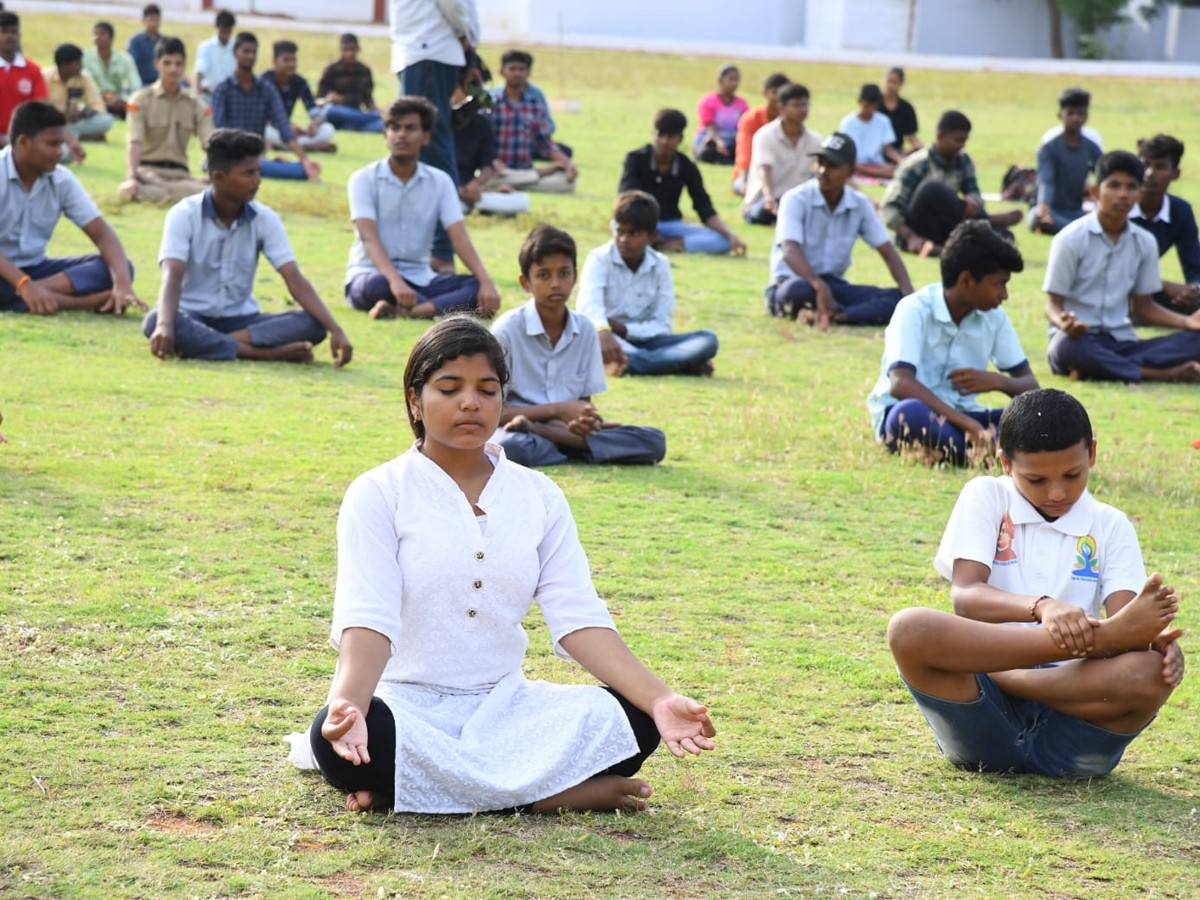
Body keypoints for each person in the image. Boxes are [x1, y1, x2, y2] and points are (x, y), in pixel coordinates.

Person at [304, 315, 715, 814]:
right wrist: (349, 704)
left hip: (509, 710)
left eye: (487, 389)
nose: (470, 403)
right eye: (449, 388)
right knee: (337, 744)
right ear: (415, 400)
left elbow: (577, 616)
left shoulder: (538, 495)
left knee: (636, 719)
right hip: (407, 708)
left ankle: (421, 793)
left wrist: (660, 698)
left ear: (503, 398)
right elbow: (368, 616)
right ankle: (550, 797)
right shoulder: (379, 492)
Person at [888, 387, 1184, 778]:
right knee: (909, 629)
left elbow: (1126, 634)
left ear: (1092, 454)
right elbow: (967, 596)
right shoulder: (987, 495)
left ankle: (1013, 679)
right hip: (981, 719)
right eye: (1037, 479)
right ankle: (1019, 673)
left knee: (1149, 672)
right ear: (1006, 464)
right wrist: (1044, 607)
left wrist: (1152, 646)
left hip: (1074, 728)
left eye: (1072, 474)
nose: (1057, 492)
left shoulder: (1111, 525)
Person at [143, 128, 352, 365]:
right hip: (191, 315)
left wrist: (336, 329)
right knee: (155, 321)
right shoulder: (183, 214)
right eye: (248, 173)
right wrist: (164, 325)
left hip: (242, 320)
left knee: (313, 324)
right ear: (219, 177)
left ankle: (206, 344)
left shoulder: (265, 218)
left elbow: (293, 278)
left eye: (258, 172)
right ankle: (261, 353)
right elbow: (172, 275)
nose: (258, 180)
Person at [491, 225, 668, 467]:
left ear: (575, 275)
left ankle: (552, 439)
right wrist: (558, 410)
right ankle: (575, 448)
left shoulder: (585, 329)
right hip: (514, 430)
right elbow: (491, 412)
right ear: (526, 283)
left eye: (564, 273)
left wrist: (585, 422)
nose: (556, 284)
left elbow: (584, 405)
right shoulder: (506, 330)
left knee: (654, 440)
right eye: (544, 275)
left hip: (557, 430)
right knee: (510, 448)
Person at [867, 220, 1038, 464]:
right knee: (907, 414)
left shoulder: (994, 317)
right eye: (999, 284)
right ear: (966, 280)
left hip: (968, 417)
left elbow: (1032, 387)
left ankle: (957, 452)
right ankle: (993, 455)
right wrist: (968, 426)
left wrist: (996, 381)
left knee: (1033, 419)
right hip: (918, 415)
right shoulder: (914, 309)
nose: (1005, 295)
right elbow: (900, 384)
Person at [1044, 150, 1200, 384]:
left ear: (1139, 193)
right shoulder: (1069, 239)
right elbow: (1052, 304)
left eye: (1131, 187)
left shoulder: (1144, 242)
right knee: (1067, 348)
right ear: (1096, 191)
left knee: (1195, 339)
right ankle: (1161, 374)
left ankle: (1102, 368)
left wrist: (1186, 322)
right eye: (1114, 186)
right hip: (1079, 339)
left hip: (1123, 343)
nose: (1123, 195)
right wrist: (1064, 323)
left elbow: (1143, 307)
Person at [345, 97, 500, 320]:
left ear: (426, 137)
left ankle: (415, 310)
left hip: (420, 276)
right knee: (376, 286)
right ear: (385, 135)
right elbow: (368, 238)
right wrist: (395, 282)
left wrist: (486, 283)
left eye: (410, 129)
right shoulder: (363, 179)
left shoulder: (440, 181)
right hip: (372, 274)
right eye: (395, 128)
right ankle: (423, 306)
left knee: (473, 286)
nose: (401, 135)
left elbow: (459, 237)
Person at [0, 101, 142, 315]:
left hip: (37, 270)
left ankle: (24, 296)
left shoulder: (61, 179)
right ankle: (76, 303)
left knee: (119, 267)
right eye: (52, 144)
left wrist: (122, 285)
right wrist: (22, 284)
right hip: (5, 272)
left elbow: (103, 234)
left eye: (61, 144)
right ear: (23, 142)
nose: (60, 152)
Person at [766, 133, 913, 327]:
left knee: (895, 298)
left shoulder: (859, 203)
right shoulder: (795, 199)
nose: (822, 171)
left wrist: (910, 297)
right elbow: (789, 250)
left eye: (832, 166)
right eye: (820, 162)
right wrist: (818, 286)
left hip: (833, 285)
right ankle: (833, 311)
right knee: (796, 292)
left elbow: (887, 251)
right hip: (795, 282)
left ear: (851, 171)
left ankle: (838, 316)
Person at [577, 191, 719, 377]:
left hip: (645, 339)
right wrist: (604, 331)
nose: (623, 240)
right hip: (605, 337)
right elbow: (589, 308)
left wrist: (625, 329)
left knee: (708, 340)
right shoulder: (599, 259)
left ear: (652, 236)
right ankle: (678, 364)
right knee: (590, 340)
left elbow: (662, 324)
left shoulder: (660, 265)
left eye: (633, 234)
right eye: (620, 231)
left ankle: (637, 363)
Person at [391, 0, 478, 266]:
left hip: (426, 49)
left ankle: (440, 250)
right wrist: (466, 38)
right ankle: (434, 249)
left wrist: (466, 45)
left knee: (429, 149)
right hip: (428, 48)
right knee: (426, 148)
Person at [881, 110, 1023, 257]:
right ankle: (987, 219)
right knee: (931, 189)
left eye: (965, 141)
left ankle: (939, 249)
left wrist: (972, 201)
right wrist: (910, 236)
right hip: (917, 229)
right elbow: (889, 207)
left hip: (947, 225)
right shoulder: (916, 164)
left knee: (1004, 237)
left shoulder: (963, 161)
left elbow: (974, 192)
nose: (962, 146)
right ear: (940, 137)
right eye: (958, 140)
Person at [618, 108, 745, 255]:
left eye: (670, 136)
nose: (664, 141)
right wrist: (646, 228)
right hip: (638, 223)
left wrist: (730, 235)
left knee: (722, 241)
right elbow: (626, 199)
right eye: (660, 135)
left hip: (671, 225)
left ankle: (669, 245)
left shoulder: (687, 166)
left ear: (680, 138)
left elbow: (704, 208)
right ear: (653, 134)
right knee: (620, 227)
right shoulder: (636, 159)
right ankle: (648, 241)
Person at [211, 33, 319, 181]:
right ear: (235, 53)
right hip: (231, 157)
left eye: (253, 52)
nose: (250, 56)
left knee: (303, 170)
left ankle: (266, 166)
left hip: (256, 157)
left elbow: (284, 127)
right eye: (246, 51)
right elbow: (220, 132)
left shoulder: (266, 89)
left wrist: (305, 160)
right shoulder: (223, 89)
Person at [120, 37, 211, 204]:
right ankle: (177, 193)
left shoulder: (196, 104)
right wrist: (132, 177)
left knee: (211, 194)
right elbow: (135, 140)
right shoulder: (140, 100)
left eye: (178, 64)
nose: (173, 70)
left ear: (185, 67)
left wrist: (215, 176)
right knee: (129, 191)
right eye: (167, 63)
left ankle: (172, 191)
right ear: (157, 64)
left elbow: (210, 144)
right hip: (147, 173)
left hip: (180, 175)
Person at [489, 50, 577, 194]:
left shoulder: (534, 102)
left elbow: (545, 142)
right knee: (489, 177)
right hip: (498, 169)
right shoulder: (491, 101)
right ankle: (523, 181)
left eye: (521, 69)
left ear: (528, 73)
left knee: (568, 183)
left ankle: (518, 182)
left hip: (525, 168)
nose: (517, 73)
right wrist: (489, 161)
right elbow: (481, 140)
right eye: (512, 69)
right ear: (502, 72)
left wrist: (567, 165)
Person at [1131, 134, 1200, 315]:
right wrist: (1164, 286)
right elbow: (1113, 269)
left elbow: (1194, 266)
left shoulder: (1180, 212)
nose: (1149, 173)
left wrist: (1193, 291)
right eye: (1145, 164)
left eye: (1159, 167)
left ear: (1175, 174)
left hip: (1147, 290)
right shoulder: (1121, 206)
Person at [742, 82, 821, 226]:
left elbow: (829, 169)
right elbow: (765, 170)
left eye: (805, 105)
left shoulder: (815, 139)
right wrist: (769, 198)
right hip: (766, 200)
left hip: (798, 200)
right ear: (781, 108)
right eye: (797, 105)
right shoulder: (765, 136)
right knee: (763, 212)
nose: (803, 110)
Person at [1029, 88, 1101, 236]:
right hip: (1050, 210)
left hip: (1076, 211)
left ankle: (1076, 230)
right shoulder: (1048, 148)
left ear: (1086, 116)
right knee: (1038, 219)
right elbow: (1046, 181)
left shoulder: (1091, 147)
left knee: (1102, 222)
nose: (1075, 118)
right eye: (1070, 113)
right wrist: (1044, 206)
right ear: (1060, 115)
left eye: (1080, 114)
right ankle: (1078, 231)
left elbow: (1104, 176)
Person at [451, 80, 529, 217]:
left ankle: (472, 201)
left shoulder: (482, 124)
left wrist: (476, 183)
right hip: (444, 187)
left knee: (521, 201)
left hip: (469, 188)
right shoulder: (438, 121)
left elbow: (487, 166)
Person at [260, 40, 336, 153]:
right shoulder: (263, 81)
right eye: (286, 60)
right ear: (274, 61)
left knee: (328, 129)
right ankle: (308, 147)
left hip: (291, 132)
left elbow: (314, 111)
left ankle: (289, 145)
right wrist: (286, 126)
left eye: (293, 60)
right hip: (272, 128)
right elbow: (260, 116)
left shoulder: (299, 82)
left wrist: (314, 125)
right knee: (265, 131)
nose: (291, 65)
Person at [43, 43, 113, 161]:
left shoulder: (83, 77)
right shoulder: (45, 78)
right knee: (65, 155)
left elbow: (97, 104)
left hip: (74, 122)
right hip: (50, 124)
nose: (81, 66)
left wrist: (81, 113)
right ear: (64, 65)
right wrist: (60, 115)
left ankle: (73, 136)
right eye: (77, 63)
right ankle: (79, 137)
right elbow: (40, 109)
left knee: (107, 120)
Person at [732, 72, 789, 196]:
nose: (778, 98)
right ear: (765, 93)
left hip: (782, 175)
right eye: (775, 92)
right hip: (752, 173)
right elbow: (744, 153)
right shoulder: (751, 118)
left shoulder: (790, 120)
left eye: (782, 94)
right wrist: (744, 181)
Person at [315, 34, 384, 134]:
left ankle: (354, 125)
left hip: (355, 112)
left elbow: (368, 101)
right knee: (330, 111)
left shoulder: (364, 71)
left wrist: (379, 110)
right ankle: (372, 118)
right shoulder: (331, 69)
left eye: (352, 49)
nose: (349, 54)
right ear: (340, 49)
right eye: (346, 50)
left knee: (381, 126)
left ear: (358, 49)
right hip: (336, 111)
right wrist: (328, 99)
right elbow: (317, 101)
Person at [838, 83, 901, 179]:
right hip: (856, 165)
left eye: (873, 107)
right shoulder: (847, 123)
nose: (870, 111)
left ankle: (871, 173)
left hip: (877, 165)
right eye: (867, 106)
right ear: (859, 102)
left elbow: (889, 150)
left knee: (894, 170)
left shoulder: (883, 121)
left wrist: (902, 161)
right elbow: (844, 152)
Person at [83, 22, 139, 119]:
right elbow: (84, 83)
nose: (97, 37)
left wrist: (124, 100)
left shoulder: (125, 59)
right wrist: (106, 97)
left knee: (136, 108)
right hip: (95, 99)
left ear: (111, 38)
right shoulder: (85, 57)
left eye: (102, 34)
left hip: (119, 101)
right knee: (88, 109)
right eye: (95, 34)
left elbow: (135, 86)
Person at [693, 64, 747, 165]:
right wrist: (719, 142)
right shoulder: (708, 101)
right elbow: (709, 126)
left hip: (732, 140)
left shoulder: (742, 104)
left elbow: (743, 127)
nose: (734, 83)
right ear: (721, 80)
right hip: (712, 138)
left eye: (737, 80)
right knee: (707, 151)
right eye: (731, 79)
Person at [194, 9, 237, 105]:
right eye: (223, 30)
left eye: (228, 31)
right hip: (210, 96)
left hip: (230, 97)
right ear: (218, 27)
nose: (226, 35)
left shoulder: (236, 47)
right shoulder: (206, 47)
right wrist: (196, 96)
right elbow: (199, 72)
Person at [879, 66, 921, 156]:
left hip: (898, 152)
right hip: (876, 150)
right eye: (888, 81)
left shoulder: (906, 108)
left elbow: (911, 136)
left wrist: (922, 149)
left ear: (901, 84)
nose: (890, 85)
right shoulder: (875, 104)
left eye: (894, 82)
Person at [127, 3, 161, 87]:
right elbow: (132, 66)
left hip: (160, 82)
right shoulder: (135, 41)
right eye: (151, 20)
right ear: (144, 20)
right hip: (141, 82)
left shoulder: (164, 42)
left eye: (156, 20)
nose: (154, 24)